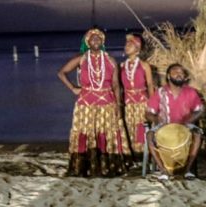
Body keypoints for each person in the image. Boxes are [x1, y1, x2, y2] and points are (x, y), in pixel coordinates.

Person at [58, 28, 127, 177]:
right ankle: (83, 167)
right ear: (87, 42)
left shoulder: (110, 60)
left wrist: (119, 105)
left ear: (102, 42)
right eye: (92, 38)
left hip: (107, 103)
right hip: (86, 104)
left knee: (105, 134)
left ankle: (105, 167)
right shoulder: (81, 58)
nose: (96, 40)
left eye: (99, 38)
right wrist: (73, 88)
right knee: (85, 134)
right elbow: (61, 73)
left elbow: (116, 85)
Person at [146, 63, 204, 181]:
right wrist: (156, 119)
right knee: (149, 135)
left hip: (185, 125)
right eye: (175, 72)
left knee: (197, 134)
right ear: (168, 76)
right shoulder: (160, 92)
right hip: (164, 126)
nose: (179, 74)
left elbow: (200, 110)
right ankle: (163, 171)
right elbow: (148, 113)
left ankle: (188, 170)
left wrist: (188, 121)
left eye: (181, 73)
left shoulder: (191, 92)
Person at [120, 33, 154, 158]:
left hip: (142, 102)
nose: (126, 46)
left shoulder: (144, 65)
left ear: (137, 48)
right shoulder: (121, 66)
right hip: (127, 103)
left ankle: (143, 154)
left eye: (130, 44)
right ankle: (132, 154)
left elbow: (150, 85)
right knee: (129, 126)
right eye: (126, 44)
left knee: (141, 126)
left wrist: (153, 105)